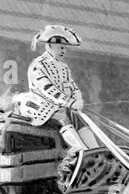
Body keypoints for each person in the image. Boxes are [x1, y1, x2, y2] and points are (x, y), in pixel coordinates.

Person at [19, 25, 88, 155]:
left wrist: (78, 98)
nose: (64, 51)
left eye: (65, 48)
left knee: (79, 118)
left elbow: (72, 86)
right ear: (49, 46)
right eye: (60, 47)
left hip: (62, 106)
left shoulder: (64, 67)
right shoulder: (38, 65)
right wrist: (70, 103)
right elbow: (47, 89)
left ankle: (93, 149)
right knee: (63, 117)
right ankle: (80, 150)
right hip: (41, 107)